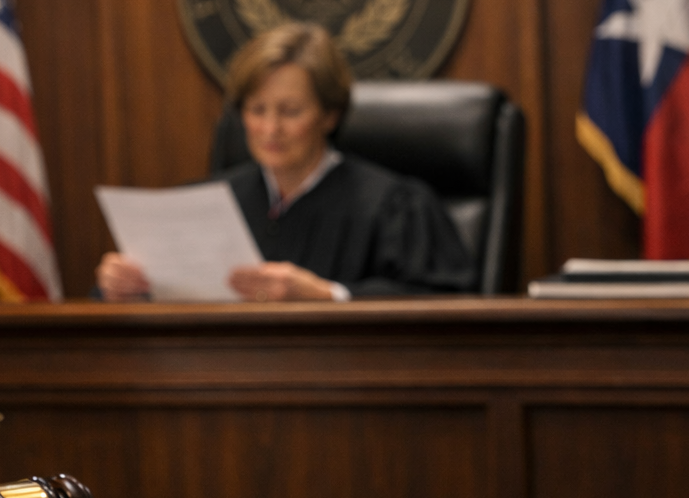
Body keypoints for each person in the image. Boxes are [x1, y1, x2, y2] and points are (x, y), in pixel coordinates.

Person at [96, 23, 475, 301]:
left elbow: (443, 301)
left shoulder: (393, 206)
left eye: (290, 111)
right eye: (256, 110)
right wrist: (118, 287)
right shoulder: (201, 203)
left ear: (330, 114)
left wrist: (327, 295)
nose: (270, 128)